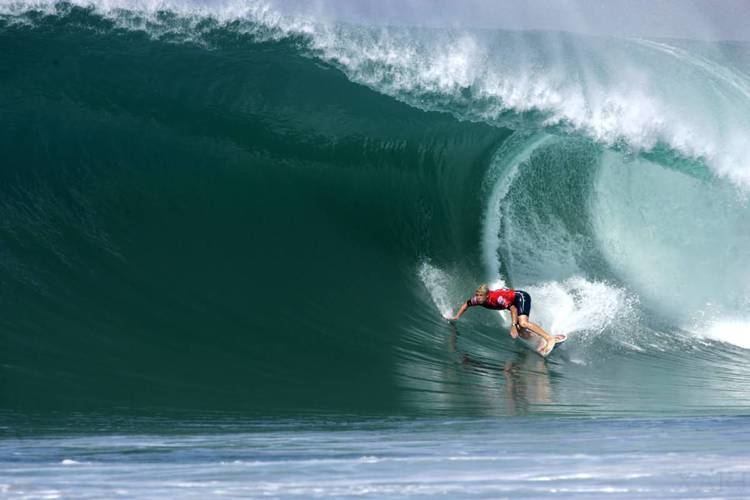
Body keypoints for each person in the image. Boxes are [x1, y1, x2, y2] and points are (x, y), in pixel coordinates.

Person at [449, 284, 564, 352]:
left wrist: (513, 326)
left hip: (521, 297)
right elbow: (466, 305)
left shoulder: (496, 299)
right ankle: (540, 340)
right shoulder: (477, 299)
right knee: (521, 332)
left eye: (481, 296)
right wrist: (457, 316)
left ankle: (549, 338)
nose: (478, 298)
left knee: (522, 323)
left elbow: (513, 309)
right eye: (477, 295)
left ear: (487, 295)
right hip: (513, 300)